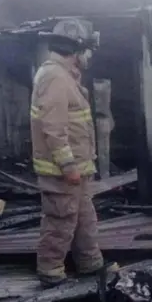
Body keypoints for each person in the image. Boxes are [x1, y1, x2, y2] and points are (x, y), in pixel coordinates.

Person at [30, 19, 116, 286]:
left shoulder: (65, 76)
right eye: (88, 50)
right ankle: (50, 271)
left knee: (84, 219)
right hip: (62, 172)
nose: (90, 56)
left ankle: (90, 263)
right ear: (75, 50)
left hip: (78, 169)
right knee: (60, 221)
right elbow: (53, 128)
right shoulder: (54, 77)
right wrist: (68, 165)